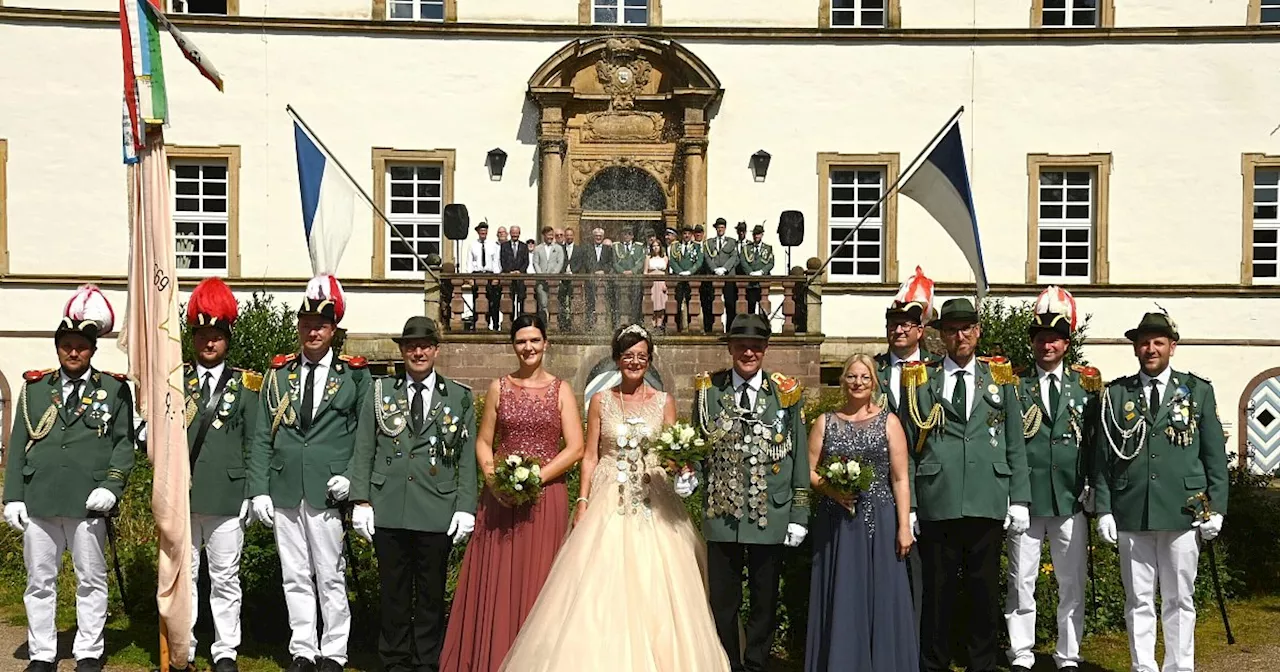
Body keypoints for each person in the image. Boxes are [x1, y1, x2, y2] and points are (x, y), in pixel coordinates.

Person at [498, 325, 728, 672]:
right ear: (617, 359)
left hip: (655, 499)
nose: (634, 362)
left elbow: (672, 450)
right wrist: (583, 500)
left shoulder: (664, 401)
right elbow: (589, 455)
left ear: (649, 360)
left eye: (641, 356)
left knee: (661, 585)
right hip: (609, 498)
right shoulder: (600, 401)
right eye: (628, 356)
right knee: (597, 585)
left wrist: (683, 469)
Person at [441, 314, 585, 671]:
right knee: (499, 580)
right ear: (513, 346)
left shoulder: (561, 389)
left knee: (541, 579)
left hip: (544, 498)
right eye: (522, 341)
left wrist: (535, 478)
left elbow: (576, 447)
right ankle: (493, 656)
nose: (529, 347)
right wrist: (494, 481)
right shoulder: (499, 387)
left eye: (535, 340)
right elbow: (484, 442)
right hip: (502, 499)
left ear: (546, 343)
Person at [3, 285, 134, 672]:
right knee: (39, 582)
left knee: (90, 579)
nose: (73, 352)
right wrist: (13, 497)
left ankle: (89, 651)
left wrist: (111, 487)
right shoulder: (34, 388)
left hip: (87, 500)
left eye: (80, 345)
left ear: (93, 349)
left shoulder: (113, 389)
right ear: (57, 347)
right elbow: (18, 441)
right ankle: (42, 653)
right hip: (40, 499)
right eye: (66, 345)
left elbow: (123, 443)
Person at [247, 275, 371, 672]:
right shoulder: (279, 373)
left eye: (320, 325)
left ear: (333, 330)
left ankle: (335, 651)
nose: (312, 331)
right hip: (285, 487)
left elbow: (365, 435)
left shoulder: (353, 374)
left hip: (328, 488)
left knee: (330, 574)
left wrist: (353, 479)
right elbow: (263, 435)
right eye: (306, 324)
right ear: (299, 327)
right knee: (295, 574)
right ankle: (303, 648)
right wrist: (259, 489)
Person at [1094, 312, 1227, 672]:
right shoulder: (1118, 393)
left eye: (1158, 342)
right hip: (1132, 510)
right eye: (1144, 342)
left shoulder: (1197, 391)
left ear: (1172, 346)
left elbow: (1214, 455)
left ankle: (1180, 666)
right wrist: (1104, 508)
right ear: (1135, 347)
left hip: (1183, 510)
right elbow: (1103, 458)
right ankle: (1143, 667)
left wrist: (1217, 508)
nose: (1150, 349)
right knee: (1138, 600)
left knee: (1179, 599)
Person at [905, 298, 1031, 672]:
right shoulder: (921, 379)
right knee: (937, 590)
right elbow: (909, 447)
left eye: (965, 329)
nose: (958, 336)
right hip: (937, 497)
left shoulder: (1000, 378)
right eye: (950, 330)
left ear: (977, 332)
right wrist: (910, 503)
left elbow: (1014, 442)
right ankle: (934, 663)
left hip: (987, 496)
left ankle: (982, 663)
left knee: (984, 590)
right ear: (940, 336)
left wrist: (1019, 497)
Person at [349, 316, 477, 672]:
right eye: (410, 346)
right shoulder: (380, 392)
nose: (417, 352)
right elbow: (364, 447)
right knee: (394, 593)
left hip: (436, 507)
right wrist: (360, 499)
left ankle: (426, 662)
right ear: (402, 351)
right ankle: (394, 662)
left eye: (424, 346)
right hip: (389, 506)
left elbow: (466, 457)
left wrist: (466, 506)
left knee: (432, 594)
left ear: (436, 350)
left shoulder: (459, 397)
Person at [683, 314, 809, 672]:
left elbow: (798, 455)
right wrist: (689, 473)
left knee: (765, 599)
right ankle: (728, 663)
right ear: (730, 348)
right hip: (723, 513)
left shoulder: (786, 392)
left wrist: (799, 514)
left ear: (766, 349)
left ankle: (756, 663)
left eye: (756, 346)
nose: (748, 352)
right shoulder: (710, 390)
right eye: (741, 345)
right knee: (724, 600)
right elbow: (700, 446)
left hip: (771, 512)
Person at [1005, 287, 1099, 672]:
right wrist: (1014, 495)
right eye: (1041, 338)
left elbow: (1094, 439)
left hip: (1070, 499)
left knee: (1071, 583)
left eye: (1055, 338)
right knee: (1021, 581)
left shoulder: (1087, 385)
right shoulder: (1014, 385)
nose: (1048, 345)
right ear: (1033, 343)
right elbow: (1009, 443)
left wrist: (1093, 485)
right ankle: (1022, 653)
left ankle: (1068, 654)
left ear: (1066, 343)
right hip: (1027, 500)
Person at [805, 354, 916, 672]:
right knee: (842, 594)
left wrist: (903, 526)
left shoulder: (889, 422)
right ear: (843, 381)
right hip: (836, 524)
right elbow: (809, 470)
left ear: (874, 382)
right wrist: (831, 489)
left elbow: (900, 478)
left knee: (879, 596)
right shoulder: (825, 421)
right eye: (852, 377)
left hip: (878, 522)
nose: (857, 383)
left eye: (864, 378)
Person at [183, 278, 262, 672]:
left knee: (225, 577)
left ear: (227, 338)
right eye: (202, 335)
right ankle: (186, 643)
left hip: (229, 495)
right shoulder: (174, 382)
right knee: (185, 576)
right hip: (183, 495)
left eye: (215, 335)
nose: (208, 343)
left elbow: (256, 440)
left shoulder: (248, 384)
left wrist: (251, 491)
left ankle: (225, 648)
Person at [872, 266, 936, 640]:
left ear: (919, 331)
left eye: (906, 325)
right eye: (893, 324)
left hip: (928, 486)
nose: (898, 330)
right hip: (882, 486)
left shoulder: (935, 370)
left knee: (925, 573)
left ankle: (918, 646)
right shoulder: (874, 370)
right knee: (887, 569)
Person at [702, 218, 739, 332]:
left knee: (730, 303)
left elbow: (734, 257)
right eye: (718, 227)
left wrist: (724, 269)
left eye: (722, 227)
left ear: (725, 228)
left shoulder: (732, 242)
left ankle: (730, 329)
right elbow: (707, 257)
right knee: (711, 303)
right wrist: (714, 269)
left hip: (728, 276)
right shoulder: (709, 242)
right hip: (714, 276)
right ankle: (710, 329)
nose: (720, 229)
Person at [466, 222, 502, 332]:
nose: (483, 233)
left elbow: (496, 261)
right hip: (477, 274)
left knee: (492, 301)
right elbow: (469, 262)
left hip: (489, 274)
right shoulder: (472, 245)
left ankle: (494, 325)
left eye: (485, 231)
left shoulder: (493, 245)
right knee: (477, 300)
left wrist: (496, 276)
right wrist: (469, 277)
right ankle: (478, 323)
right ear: (478, 232)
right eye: (481, 231)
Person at [669, 225, 702, 332]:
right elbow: (672, 261)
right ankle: (678, 327)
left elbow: (699, 261)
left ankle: (691, 327)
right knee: (677, 303)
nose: (686, 235)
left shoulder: (697, 246)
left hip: (691, 279)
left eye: (688, 233)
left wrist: (690, 272)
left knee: (691, 303)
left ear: (691, 235)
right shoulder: (675, 246)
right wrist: (680, 272)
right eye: (684, 233)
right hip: (678, 279)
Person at [531, 227, 566, 326]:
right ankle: (545, 323)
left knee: (555, 302)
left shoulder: (558, 248)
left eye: (551, 234)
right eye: (548, 235)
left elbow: (560, 262)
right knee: (543, 303)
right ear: (544, 236)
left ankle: (555, 323)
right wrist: (542, 275)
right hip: (541, 282)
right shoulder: (538, 248)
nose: (550, 237)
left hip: (554, 281)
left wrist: (553, 275)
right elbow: (535, 263)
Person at [612, 226, 646, 327]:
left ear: (633, 236)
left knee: (635, 301)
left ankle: (635, 322)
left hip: (635, 279)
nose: (627, 236)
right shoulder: (616, 247)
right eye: (625, 234)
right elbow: (614, 262)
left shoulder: (639, 247)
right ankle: (618, 323)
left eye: (629, 234)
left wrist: (632, 271)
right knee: (618, 302)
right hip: (620, 279)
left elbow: (641, 261)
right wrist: (623, 271)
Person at [583, 227, 614, 331]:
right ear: (593, 236)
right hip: (591, 280)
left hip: (604, 280)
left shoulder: (608, 249)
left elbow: (611, 263)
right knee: (590, 303)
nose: (598, 238)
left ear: (603, 237)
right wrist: (594, 271)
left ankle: (606, 325)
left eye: (600, 236)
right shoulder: (587, 248)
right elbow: (586, 262)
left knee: (606, 302)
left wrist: (603, 271)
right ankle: (590, 326)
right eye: (596, 236)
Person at [740, 225, 775, 315]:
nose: (756, 236)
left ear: (762, 235)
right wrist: (750, 272)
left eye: (758, 234)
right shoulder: (746, 248)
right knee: (750, 308)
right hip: (750, 283)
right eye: (755, 234)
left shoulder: (768, 248)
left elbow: (771, 263)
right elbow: (743, 261)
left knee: (763, 310)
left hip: (762, 283)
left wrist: (762, 272)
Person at [559, 227, 587, 332]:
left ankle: (573, 324)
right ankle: (563, 324)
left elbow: (581, 262)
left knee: (574, 302)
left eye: (571, 235)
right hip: (562, 279)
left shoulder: (579, 249)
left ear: (573, 236)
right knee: (562, 302)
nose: (569, 237)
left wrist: (573, 272)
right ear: (565, 236)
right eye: (567, 235)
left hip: (574, 279)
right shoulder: (560, 248)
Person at [500, 225, 529, 321]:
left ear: (519, 234)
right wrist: (510, 271)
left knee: (521, 300)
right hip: (509, 278)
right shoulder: (504, 246)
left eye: (517, 233)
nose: (515, 235)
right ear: (510, 233)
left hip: (520, 278)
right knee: (509, 301)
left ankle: (521, 320)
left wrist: (520, 271)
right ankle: (510, 321)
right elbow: (502, 260)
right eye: (513, 233)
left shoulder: (524, 246)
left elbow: (526, 261)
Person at [644, 239, 669, 331]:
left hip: (661, 281)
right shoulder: (648, 258)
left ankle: (659, 325)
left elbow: (666, 273)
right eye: (653, 246)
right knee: (653, 303)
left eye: (657, 246)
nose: (655, 247)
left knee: (662, 303)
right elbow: (645, 272)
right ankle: (652, 325)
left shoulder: (665, 258)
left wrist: (666, 284)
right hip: (652, 282)